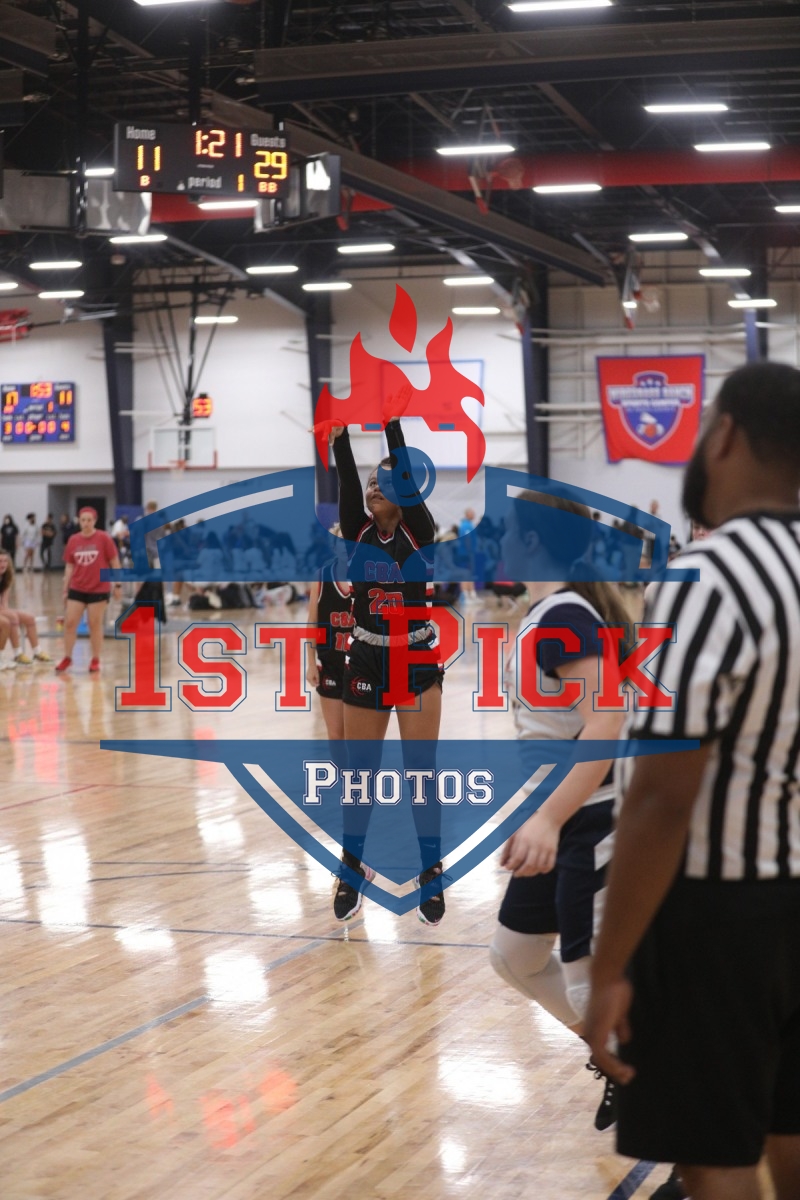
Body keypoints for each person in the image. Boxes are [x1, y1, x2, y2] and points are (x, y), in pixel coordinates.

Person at [585, 362, 800, 1200]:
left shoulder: (708, 576)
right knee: (789, 1126)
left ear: (726, 435)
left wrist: (610, 966)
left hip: (716, 912)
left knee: (714, 1154)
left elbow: (662, 796)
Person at [488, 490, 629, 1132]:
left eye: (507, 530)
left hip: (595, 819)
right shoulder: (548, 611)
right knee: (514, 955)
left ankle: (674, 1112)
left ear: (533, 540)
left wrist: (548, 818)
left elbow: (606, 724)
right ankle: (620, 1062)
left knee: (586, 987)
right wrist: (537, 816)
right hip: (563, 814)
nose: (497, 540)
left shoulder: (566, 615)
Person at [330, 416, 447, 925]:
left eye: (384, 482)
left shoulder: (420, 532)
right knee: (360, 775)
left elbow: (402, 475)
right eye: (371, 484)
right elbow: (346, 483)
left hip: (415, 657)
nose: (374, 488)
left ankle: (431, 870)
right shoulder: (358, 532)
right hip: (365, 656)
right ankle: (352, 867)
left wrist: (392, 427)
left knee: (421, 773)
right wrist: (340, 440)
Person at [57, 507, 122, 673]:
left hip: (98, 588)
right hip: (77, 587)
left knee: (94, 624)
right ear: (79, 521)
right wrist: (65, 590)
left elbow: (114, 562)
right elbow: (69, 566)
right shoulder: (73, 540)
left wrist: (118, 584)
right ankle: (67, 657)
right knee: (70, 623)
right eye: (83, 520)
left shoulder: (104, 538)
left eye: (89, 520)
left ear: (94, 521)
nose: (85, 523)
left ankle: (95, 659)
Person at [305, 527, 353, 743]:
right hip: (330, 664)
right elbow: (312, 623)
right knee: (336, 734)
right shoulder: (321, 577)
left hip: (361, 665)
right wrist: (311, 664)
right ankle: (341, 767)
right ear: (334, 546)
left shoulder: (369, 577)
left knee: (360, 735)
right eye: (341, 540)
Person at [0, 551, 52, 665]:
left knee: (29, 618)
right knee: (12, 617)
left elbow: (4, 602)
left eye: (5, 561)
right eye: (0, 561)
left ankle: (37, 652)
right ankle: (17, 654)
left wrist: (6, 611)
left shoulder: (6, 577)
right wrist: (7, 613)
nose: (3, 564)